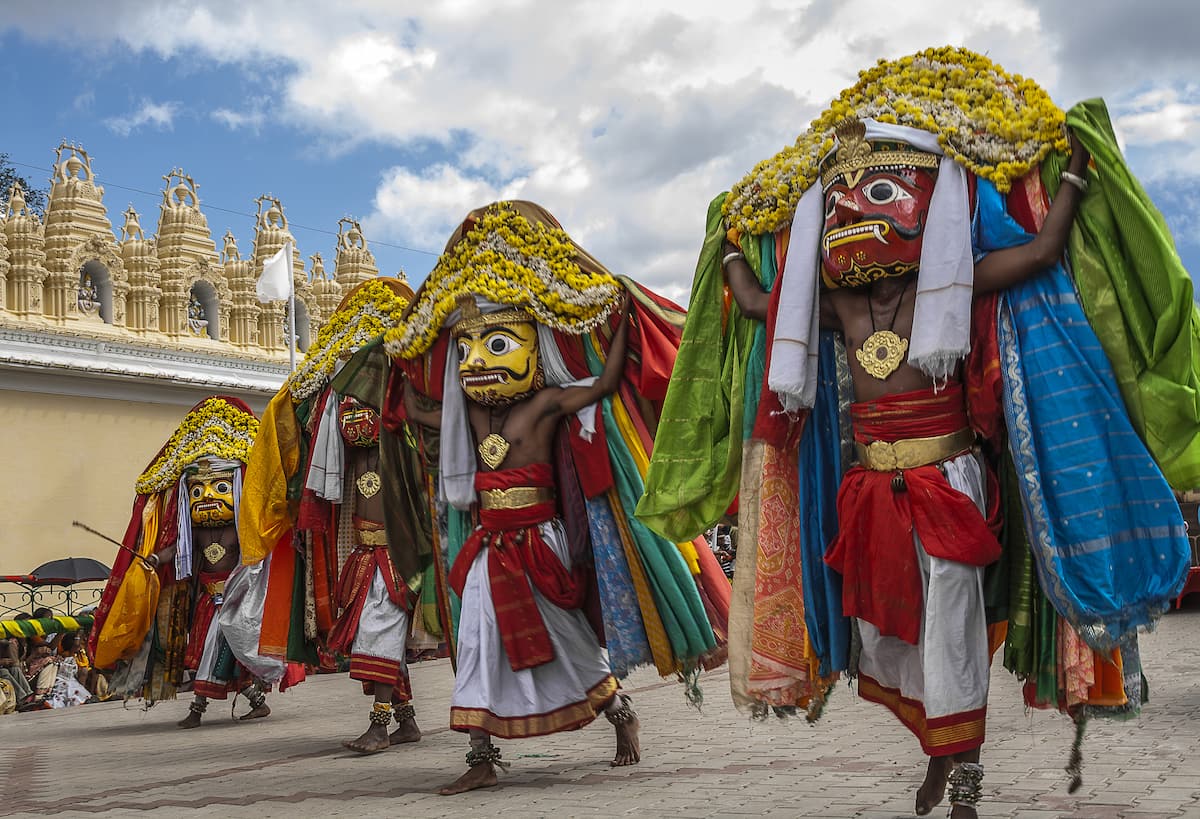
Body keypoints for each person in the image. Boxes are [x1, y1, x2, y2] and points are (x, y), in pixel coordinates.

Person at [644, 47, 1195, 819]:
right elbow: (756, 303)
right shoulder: (833, 309)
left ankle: (963, 777)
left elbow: (1040, 251)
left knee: (954, 637)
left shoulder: (960, 280)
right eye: (840, 204)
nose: (856, 216)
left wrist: (1072, 175)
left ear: (925, 209)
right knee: (889, 641)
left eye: (880, 194)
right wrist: (729, 240)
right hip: (868, 488)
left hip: (949, 484)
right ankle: (941, 749)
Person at [404, 292, 640, 795]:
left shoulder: (545, 403)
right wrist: (397, 360)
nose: (477, 363)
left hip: (540, 544)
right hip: (489, 548)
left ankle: (619, 711)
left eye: (493, 346)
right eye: (466, 353)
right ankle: (481, 757)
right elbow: (418, 413)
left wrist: (620, 323)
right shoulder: (468, 412)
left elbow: (605, 383)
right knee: (474, 646)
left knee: (570, 641)